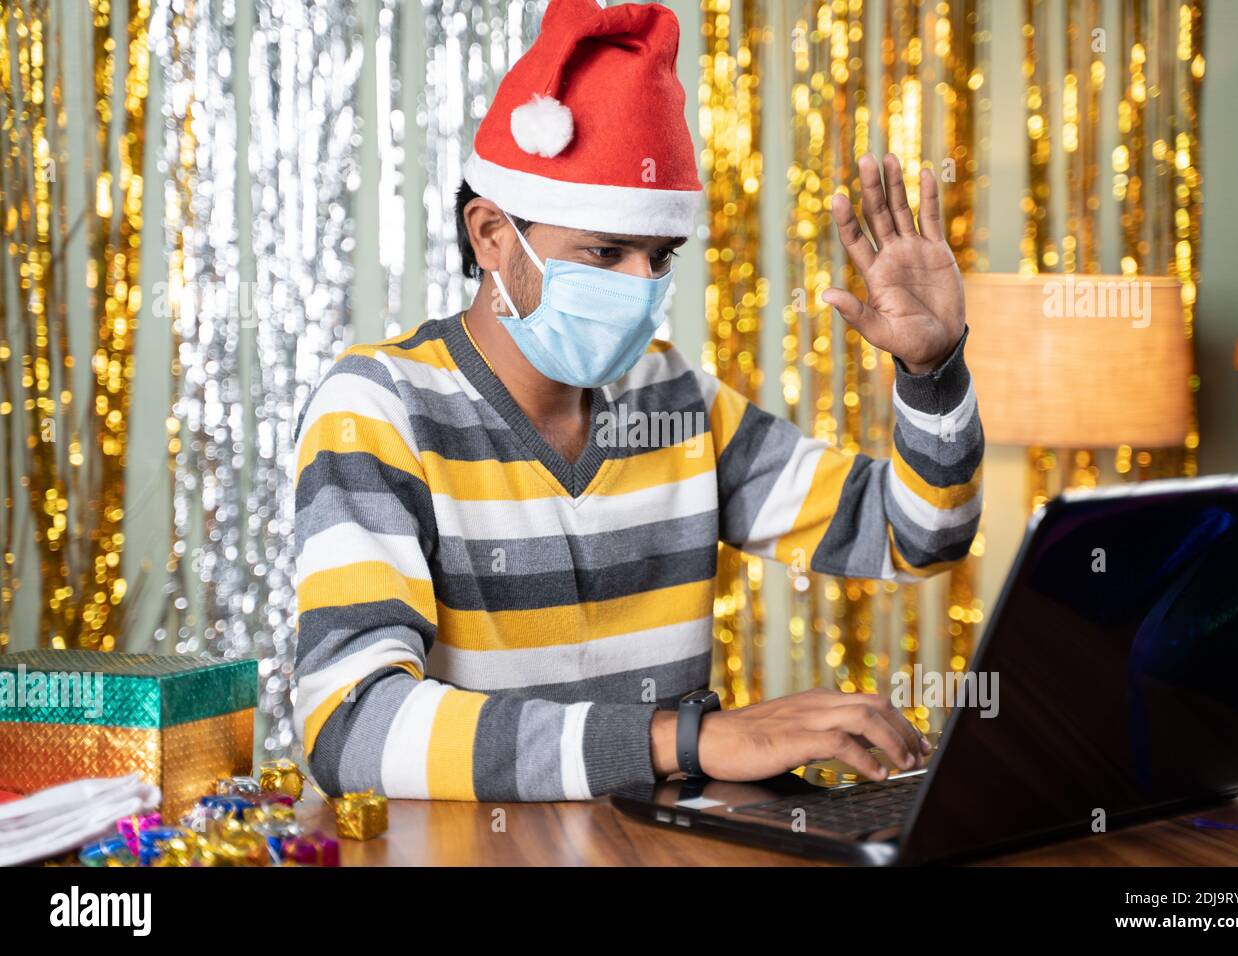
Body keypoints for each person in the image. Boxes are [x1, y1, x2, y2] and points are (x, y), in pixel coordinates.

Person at [291, 0, 982, 801]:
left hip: (671, 850)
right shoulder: (379, 407)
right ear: (489, 235)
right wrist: (686, 740)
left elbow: (916, 535)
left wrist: (933, 373)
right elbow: (351, 727)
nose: (641, 286)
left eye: (659, 255)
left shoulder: (675, 399)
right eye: (603, 251)